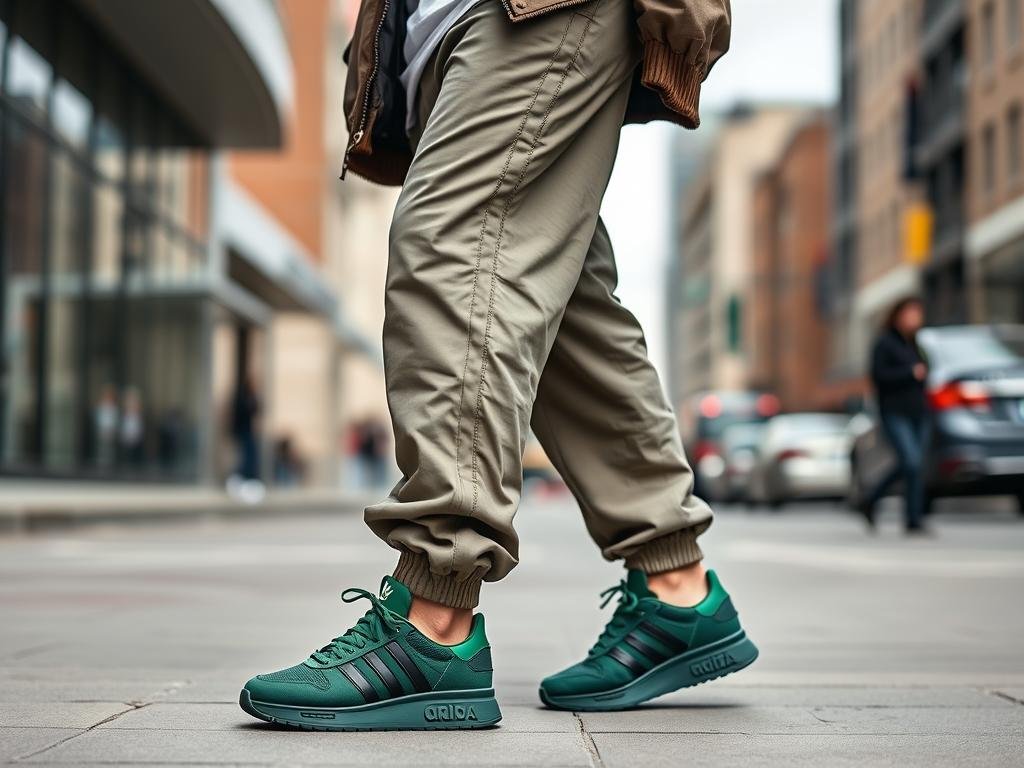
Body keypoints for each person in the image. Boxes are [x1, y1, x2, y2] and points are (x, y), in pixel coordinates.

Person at [240, 0, 755, 730]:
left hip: (528, 9)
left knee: (455, 255)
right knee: (562, 300)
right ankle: (677, 587)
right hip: (450, 31)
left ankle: (433, 619)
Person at [858, 296, 931, 533]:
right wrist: (909, 373)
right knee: (911, 461)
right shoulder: (885, 343)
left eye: (917, 314)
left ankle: (873, 500)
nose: (914, 318)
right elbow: (878, 376)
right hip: (894, 411)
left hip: (919, 411)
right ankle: (911, 518)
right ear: (897, 315)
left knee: (914, 465)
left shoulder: (916, 344)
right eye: (910, 313)